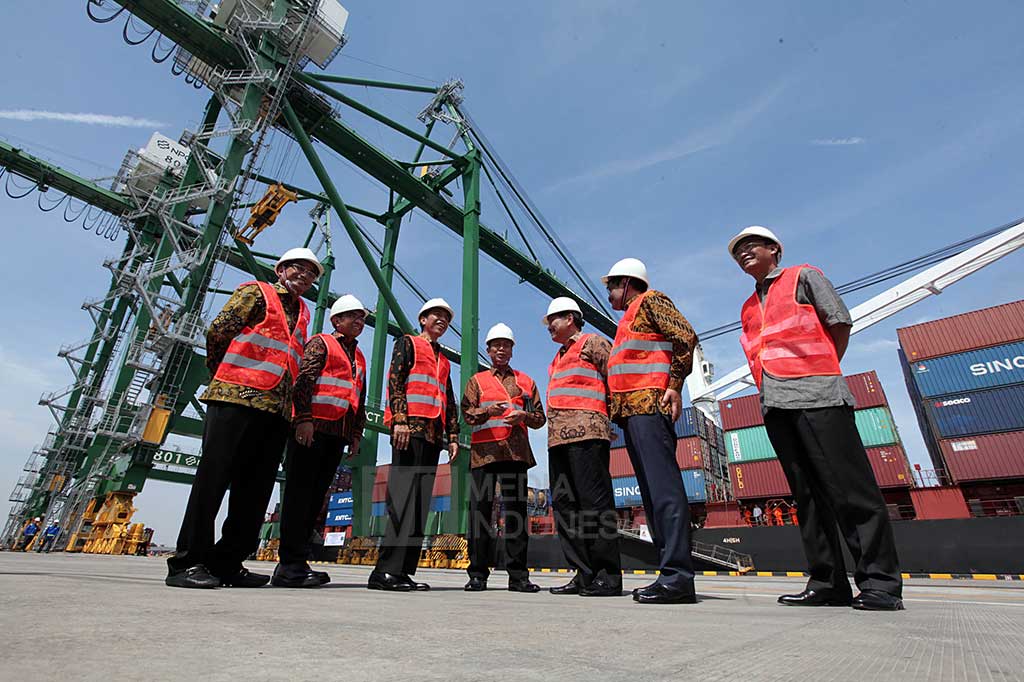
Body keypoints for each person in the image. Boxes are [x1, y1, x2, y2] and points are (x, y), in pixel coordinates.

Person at [729, 225, 904, 611]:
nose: (742, 253)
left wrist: (819, 372)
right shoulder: (746, 307)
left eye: (750, 245)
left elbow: (839, 323)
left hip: (819, 395)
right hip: (775, 404)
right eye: (736, 251)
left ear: (774, 249)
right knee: (807, 499)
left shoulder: (805, 277)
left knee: (850, 492)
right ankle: (827, 582)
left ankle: (880, 584)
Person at [166, 247, 321, 589]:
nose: (305, 276)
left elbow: (291, 362)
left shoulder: (305, 313)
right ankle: (187, 563)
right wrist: (223, 373)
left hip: (275, 410)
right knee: (213, 481)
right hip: (235, 398)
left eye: (311, 274)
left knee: (255, 491)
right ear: (281, 269)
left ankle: (227, 562)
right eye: (299, 268)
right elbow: (218, 331)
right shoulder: (256, 292)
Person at [603, 258, 699, 605]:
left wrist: (675, 385)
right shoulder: (627, 320)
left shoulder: (651, 300)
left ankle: (678, 577)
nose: (609, 292)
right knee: (652, 498)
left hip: (650, 407)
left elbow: (686, 336)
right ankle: (669, 574)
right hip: (632, 415)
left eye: (611, 285)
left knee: (664, 494)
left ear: (627, 283)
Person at [273, 295, 369, 588]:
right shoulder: (321, 343)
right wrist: (302, 419)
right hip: (312, 429)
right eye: (352, 316)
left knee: (316, 499)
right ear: (336, 320)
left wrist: (355, 434)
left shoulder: (360, 356)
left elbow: (358, 399)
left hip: (337, 434)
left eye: (362, 317)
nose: (359, 321)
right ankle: (289, 565)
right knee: (299, 496)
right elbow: (304, 381)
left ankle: (298, 562)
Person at [369, 298, 459, 592]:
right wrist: (399, 419)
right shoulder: (407, 343)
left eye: (447, 317)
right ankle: (384, 572)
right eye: (437, 315)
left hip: (433, 436)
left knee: (420, 506)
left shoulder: (442, 359)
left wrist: (453, 436)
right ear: (423, 319)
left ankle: (403, 571)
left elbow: (449, 400)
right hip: (410, 430)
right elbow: (395, 380)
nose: (442, 321)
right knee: (402, 500)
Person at [543, 297, 623, 597]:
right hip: (557, 441)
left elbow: (615, 378)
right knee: (566, 508)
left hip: (588, 434)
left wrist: (609, 419)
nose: (549, 325)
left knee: (594, 505)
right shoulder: (558, 357)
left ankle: (607, 576)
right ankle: (583, 574)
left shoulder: (593, 343)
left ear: (571, 318)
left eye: (554, 319)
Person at [462, 323, 546, 593]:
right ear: (488, 350)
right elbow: (467, 415)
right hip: (484, 455)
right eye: (496, 344)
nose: (501, 348)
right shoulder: (477, 381)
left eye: (506, 344)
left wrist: (524, 415)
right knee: (480, 515)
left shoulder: (526, 382)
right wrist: (488, 411)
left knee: (516, 517)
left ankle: (518, 576)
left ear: (512, 350)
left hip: (516, 454)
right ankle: (477, 574)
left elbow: (539, 419)